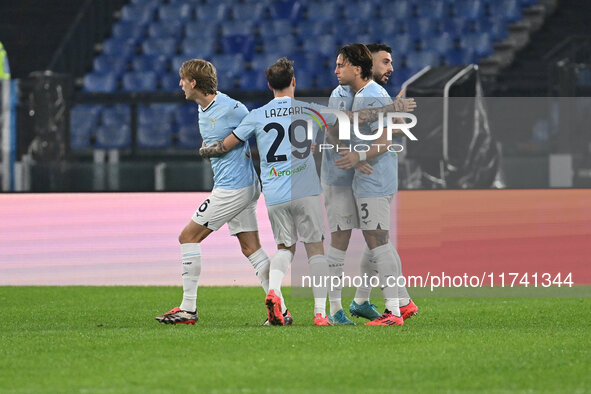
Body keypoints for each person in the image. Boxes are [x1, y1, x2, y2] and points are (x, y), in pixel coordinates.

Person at [200, 58, 338, 326]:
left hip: (275, 194)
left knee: (285, 248)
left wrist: (206, 149)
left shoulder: (256, 115)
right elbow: (339, 122)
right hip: (306, 189)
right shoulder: (308, 109)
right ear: (294, 82)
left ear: (268, 85)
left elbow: (226, 145)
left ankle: (274, 290)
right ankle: (320, 313)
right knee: (316, 249)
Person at [155, 59, 271, 325]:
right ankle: (280, 309)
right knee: (251, 248)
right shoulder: (202, 107)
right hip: (239, 186)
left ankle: (188, 309)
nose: (180, 84)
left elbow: (257, 128)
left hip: (234, 188)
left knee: (188, 237)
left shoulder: (231, 108)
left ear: (194, 82)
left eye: (183, 79)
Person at [325, 43, 411, 326]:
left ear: (358, 68)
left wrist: (359, 155)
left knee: (377, 240)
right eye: (385, 62)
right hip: (342, 177)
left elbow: (382, 136)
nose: (336, 70)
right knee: (354, 239)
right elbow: (338, 130)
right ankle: (347, 306)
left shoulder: (371, 95)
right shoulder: (343, 94)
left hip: (370, 176)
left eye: (341, 65)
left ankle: (395, 308)